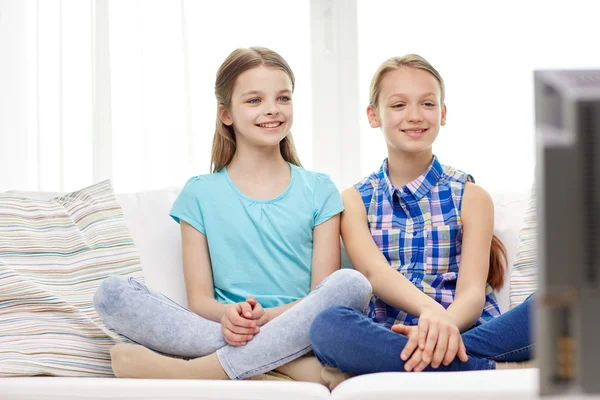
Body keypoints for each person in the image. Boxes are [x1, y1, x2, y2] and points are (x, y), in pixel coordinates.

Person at [93, 46, 372, 381]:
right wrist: (231, 316)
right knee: (111, 294)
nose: (272, 109)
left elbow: (319, 295)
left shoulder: (319, 189)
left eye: (283, 98)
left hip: (299, 325)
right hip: (227, 328)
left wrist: (267, 319)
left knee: (352, 284)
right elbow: (199, 300)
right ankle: (289, 365)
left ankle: (199, 370)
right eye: (254, 100)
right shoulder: (199, 193)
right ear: (226, 114)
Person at [309, 54, 534, 375]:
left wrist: (440, 326)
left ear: (442, 114)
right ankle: (468, 367)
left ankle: (424, 356)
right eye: (399, 105)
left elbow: (471, 292)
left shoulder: (472, 196)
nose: (414, 116)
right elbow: (375, 274)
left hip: (464, 330)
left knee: (562, 303)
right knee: (326, 324)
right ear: (374, 115)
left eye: (427, 104)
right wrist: (429, 311)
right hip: (387, 333)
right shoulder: (354, 199)